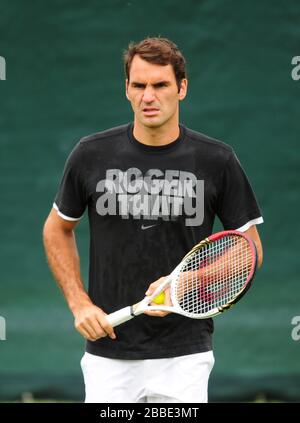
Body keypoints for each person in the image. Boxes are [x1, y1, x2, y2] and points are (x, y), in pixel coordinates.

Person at [43, 37, 263, 403]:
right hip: (108, 353)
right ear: (126, 89)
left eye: (160, 85)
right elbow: (57, 229)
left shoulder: (217, 160)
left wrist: (186, 283)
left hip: (185, 354)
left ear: (182, 88)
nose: (149, 96)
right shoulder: (90, 155)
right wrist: (79, 303)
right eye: (139, 85)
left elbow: (250, 250)